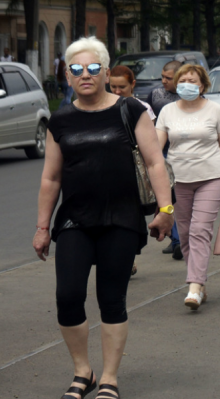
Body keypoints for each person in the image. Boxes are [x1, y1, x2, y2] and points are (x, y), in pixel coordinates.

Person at [33, 37, 174, 399]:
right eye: (77, 69)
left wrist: (165, 210)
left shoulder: (130, 110)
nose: (85, 75)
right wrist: (42, 227)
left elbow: (156, 162)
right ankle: (83, 371)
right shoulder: (61, 120)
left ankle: (109, 378)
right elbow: (51, 177)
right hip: (74, 221)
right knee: (68, 296)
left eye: (93, 68)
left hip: (121, 220)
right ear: (67, 75)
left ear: (106, 72)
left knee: (112, 299)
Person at [155, 64, 220, 310]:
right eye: (182, 80)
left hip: (212, 177)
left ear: (202, 85)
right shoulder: (167, 111)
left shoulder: (215, 110)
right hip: (178, 180)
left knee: (200, 230)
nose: (186, 85)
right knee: (186, 234)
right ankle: (199, 284)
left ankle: (193, 286)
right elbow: (156, 149)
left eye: (192, 80)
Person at [109, 65, 157, 276]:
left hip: (133, 170)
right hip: (108, 169)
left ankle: (127, 258)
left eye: (122, 87)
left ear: (133, 85)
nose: (117, 92)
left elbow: (152, 143)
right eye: (113, 87)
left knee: (130, 217)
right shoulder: (102, 105)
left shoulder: (142, 107)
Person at [147, 60, 184, 259]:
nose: (163, 81)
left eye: (168, 78)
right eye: (162, 76)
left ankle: (180, 239)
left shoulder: (189, 94)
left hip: (181, 152)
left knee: (179, 198)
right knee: (167, 196)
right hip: (160, 151)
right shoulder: (155, 95)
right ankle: (176, 239)